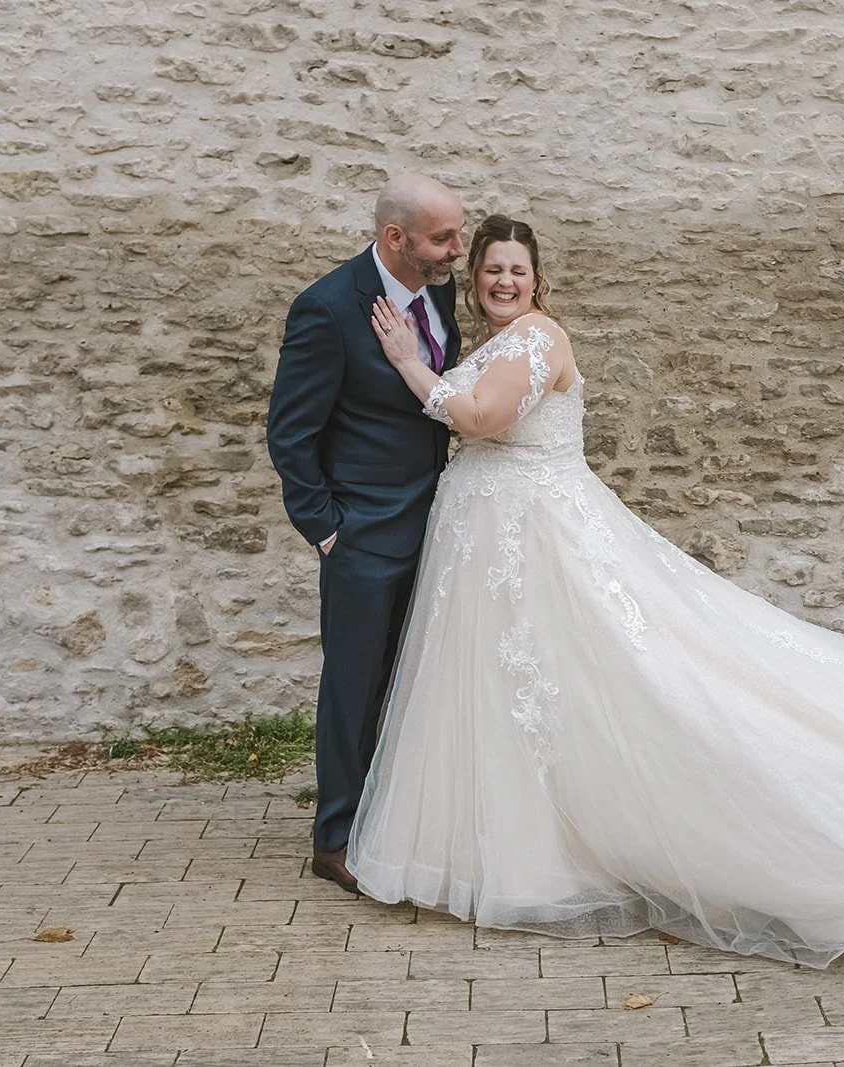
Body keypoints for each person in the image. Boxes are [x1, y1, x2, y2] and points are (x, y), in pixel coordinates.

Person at [345, 215, 844, 968]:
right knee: (516, 692)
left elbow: (482, 418)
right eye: (492, 268)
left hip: (545, 542)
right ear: (475, 278)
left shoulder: (538, 336)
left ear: (537, 279)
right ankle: (511, 854)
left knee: (646, 680)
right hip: (501, 551)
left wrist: (411, 364)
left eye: (516, 270)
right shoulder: (495, 340)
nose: (503, 281)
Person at [265, 175, 465, 891]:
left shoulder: (438, 293)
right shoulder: (327, 308)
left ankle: (391, 818)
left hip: (437, 521)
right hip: (363, 534)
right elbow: (291, 434)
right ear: (395, 237)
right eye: (443, 238)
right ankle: (337, 838)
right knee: (353, 686)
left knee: (411, 681)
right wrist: (327, 530)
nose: (457, 250)